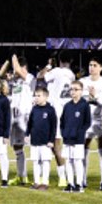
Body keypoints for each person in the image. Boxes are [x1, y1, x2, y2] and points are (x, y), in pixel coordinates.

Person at [39, 55, 75, 187]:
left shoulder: (56, 71)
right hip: (63, 113)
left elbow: (41, 76)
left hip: (51, 113)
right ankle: (59, 177)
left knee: (50, 146)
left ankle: (60, 177)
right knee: (56, 146)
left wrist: (49, 65)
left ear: (59, 61)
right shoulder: (71, 75)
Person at [79, 57, 102, 191]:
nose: (91, 67)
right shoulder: (83, 81)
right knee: (83, 150)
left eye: (94, 65)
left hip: (100, 121)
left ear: (101, 68)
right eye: (90, 64)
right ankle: (82, 179)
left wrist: (94, 96)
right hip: (85, 120)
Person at [2, 55, 35, 186]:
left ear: (24, 68)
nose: (14, 71)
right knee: (17, 148)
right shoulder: (14, 80)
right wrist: (8, 61)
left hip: (25, 117)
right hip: (14, 117)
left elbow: (17, 68)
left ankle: (41, 178)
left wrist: (13, 56)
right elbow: (1, 73)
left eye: (17, 69)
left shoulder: (30, 78)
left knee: (36, 148)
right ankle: (22, 176)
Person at [59, 81, 92, 193]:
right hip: (67, 138)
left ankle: (79, 184)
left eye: (76, 89)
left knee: (77, 161)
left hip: (78, 139)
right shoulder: (67, 105)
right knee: (68, 161)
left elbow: (87, 122)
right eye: (72, 89)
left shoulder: (85, 105)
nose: (73, 91)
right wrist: (63, 133)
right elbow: (62, 121)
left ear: (81, 91)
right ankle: (70, 184)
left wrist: (80, 132)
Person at [26, 87, 58, 191]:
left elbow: (54, 126)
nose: (36, 97)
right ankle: (36, 182)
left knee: (45, 161)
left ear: (45, 97)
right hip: (35, 140)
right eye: (35, 95)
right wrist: (27, 134)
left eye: (39, 95)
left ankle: (44, 182)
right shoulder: (34, 108)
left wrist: (51, 140)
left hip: (46, 142)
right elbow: (30, 123)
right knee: (35, 161)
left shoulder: (50, 110)